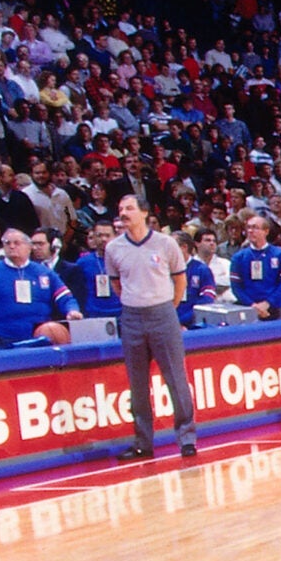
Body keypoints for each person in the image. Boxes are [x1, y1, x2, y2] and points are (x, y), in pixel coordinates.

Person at [100, 195, 198, 461]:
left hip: (163, 313)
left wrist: (168, 307)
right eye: (120, 208)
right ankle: (143, 442)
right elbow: (116, 284)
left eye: (129, 208)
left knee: (175, 379)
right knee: (137, 384)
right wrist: (134, 302)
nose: (123, 212)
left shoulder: (166, 243)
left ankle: (187, 438)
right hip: (131, 316)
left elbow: (180, 281)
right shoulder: (113, 248)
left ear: (144, 213)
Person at [0, 229, 74, 347]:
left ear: (29, 247)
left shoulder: (44, 272)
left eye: (17, 243)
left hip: (40, 337)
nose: (12, 246)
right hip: (3, 338)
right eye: (7, 243)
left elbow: (64, 297)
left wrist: (72, 310)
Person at [231, 213, 281, 319]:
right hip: (249, 308)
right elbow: (236, 287)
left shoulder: (280, 254)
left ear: (266, 231)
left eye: (255, 228)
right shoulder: (239, 257)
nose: (250, 231)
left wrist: (267, 303)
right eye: (248, 227)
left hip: (277, 307)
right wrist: (253, 306)